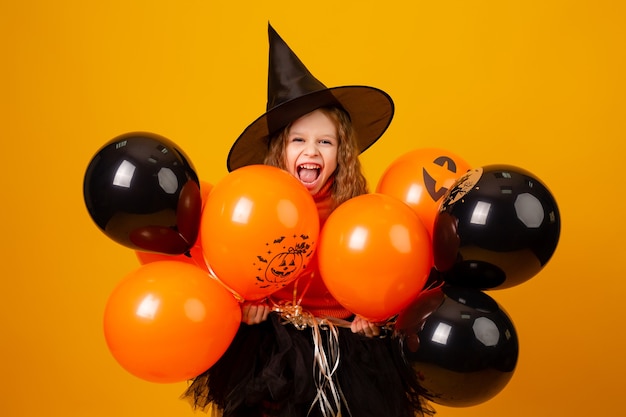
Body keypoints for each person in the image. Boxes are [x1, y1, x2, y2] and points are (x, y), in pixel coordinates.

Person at [182, 24, 434, 417]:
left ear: (342, 152)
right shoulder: (255, 209)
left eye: (325, 141)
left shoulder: (362, 211)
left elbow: (389, 268)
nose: (311, 150)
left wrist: (376, 310)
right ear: (281, 150)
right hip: (276, 350)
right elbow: (234, 267)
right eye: (298, 140)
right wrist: (248, 304)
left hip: (350, 349)